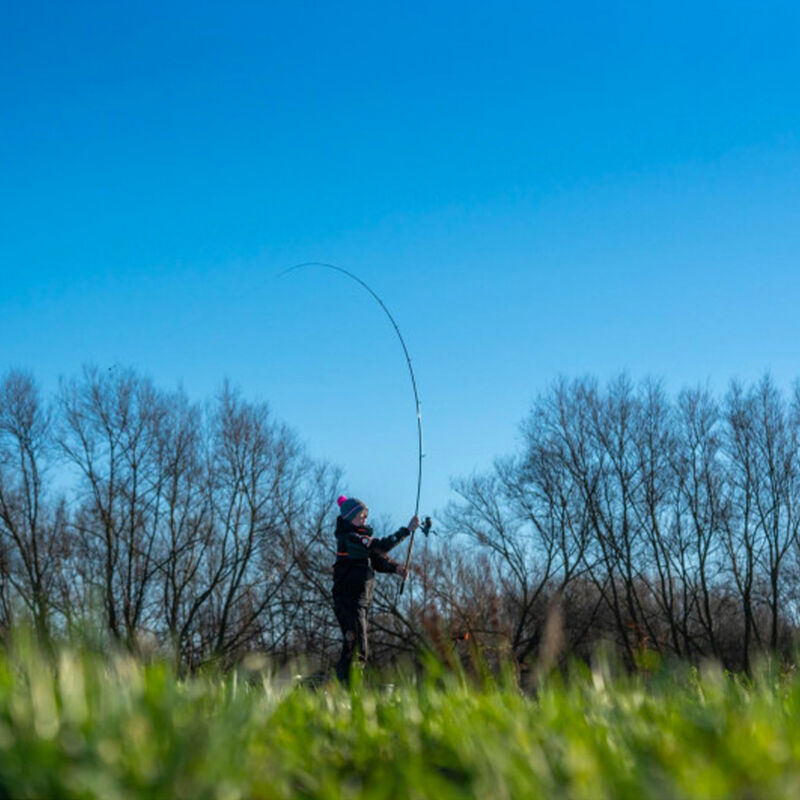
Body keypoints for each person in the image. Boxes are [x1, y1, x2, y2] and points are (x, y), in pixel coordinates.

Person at [332, 495, 419, 683]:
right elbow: (378, 547)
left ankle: (346, 687)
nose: (364, 520)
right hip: (349, 600)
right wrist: (405, 531)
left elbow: (377, 559)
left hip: (359, 601)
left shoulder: (360, 540)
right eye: (360, 516)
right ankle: (348, 688)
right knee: (357, 648)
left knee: (355, 647)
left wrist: (395, 568)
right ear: (349, 518)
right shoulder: (350, 538)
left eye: (365, 516)